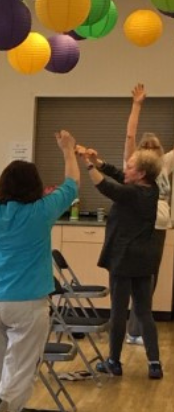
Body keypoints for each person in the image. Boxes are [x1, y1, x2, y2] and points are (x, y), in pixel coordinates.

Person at [0, 127, 80, 412]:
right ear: (35, 187)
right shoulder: (42, 211)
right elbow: (72, 184)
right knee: (19, 367)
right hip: (27, 304)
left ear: (3, 186)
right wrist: (68, 150)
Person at [78, 140, 163, 378]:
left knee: (118, 311)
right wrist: (97, 161)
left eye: (131, 166)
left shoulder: (131, 194)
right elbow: (118, 175)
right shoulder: (151, 189)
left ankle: (114, 362)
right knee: (144, 312)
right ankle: (154, 363)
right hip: (144, 259)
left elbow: (106, 187)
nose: (126, 169)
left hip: (123, 259)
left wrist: (88, 165)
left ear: (141, 173)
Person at [123, 84, 172, 344]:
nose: (151, 150)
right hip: (141, 226)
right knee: (140, 279)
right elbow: (130, 136)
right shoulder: (135, 164)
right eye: (147, 147)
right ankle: (135, 330)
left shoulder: (164, 164)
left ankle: (136, 329)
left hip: (160, 227)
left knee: (151, 279)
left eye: (155, 147)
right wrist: (137, 105)